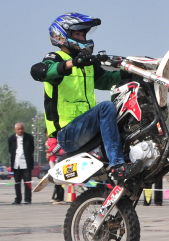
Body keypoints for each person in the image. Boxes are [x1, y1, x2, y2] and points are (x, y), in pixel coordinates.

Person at [31, 13, 139, 183]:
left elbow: (107, 80)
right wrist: (73, 63)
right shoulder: (56, 58)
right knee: (105, 107)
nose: (83, 38)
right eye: (78, 34)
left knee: (122, 111)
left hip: (86, 128)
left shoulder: (86, 65)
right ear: (63, 36)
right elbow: (38, 72)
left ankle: (127, 167)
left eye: (83, 34)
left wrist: (127, 73)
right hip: (67, 133)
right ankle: (117, 165)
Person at [9, 123, 34, 205]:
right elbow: (10, 151)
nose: (20, 130)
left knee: (27, 182)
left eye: (22, 129)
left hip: (26, 163)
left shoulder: (29, 137)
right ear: (15, 130)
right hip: (16, 163)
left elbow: (31, 149)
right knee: (17, 183)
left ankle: (27, 199)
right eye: (19, 129)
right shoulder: (11, 138)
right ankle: (18, 199)